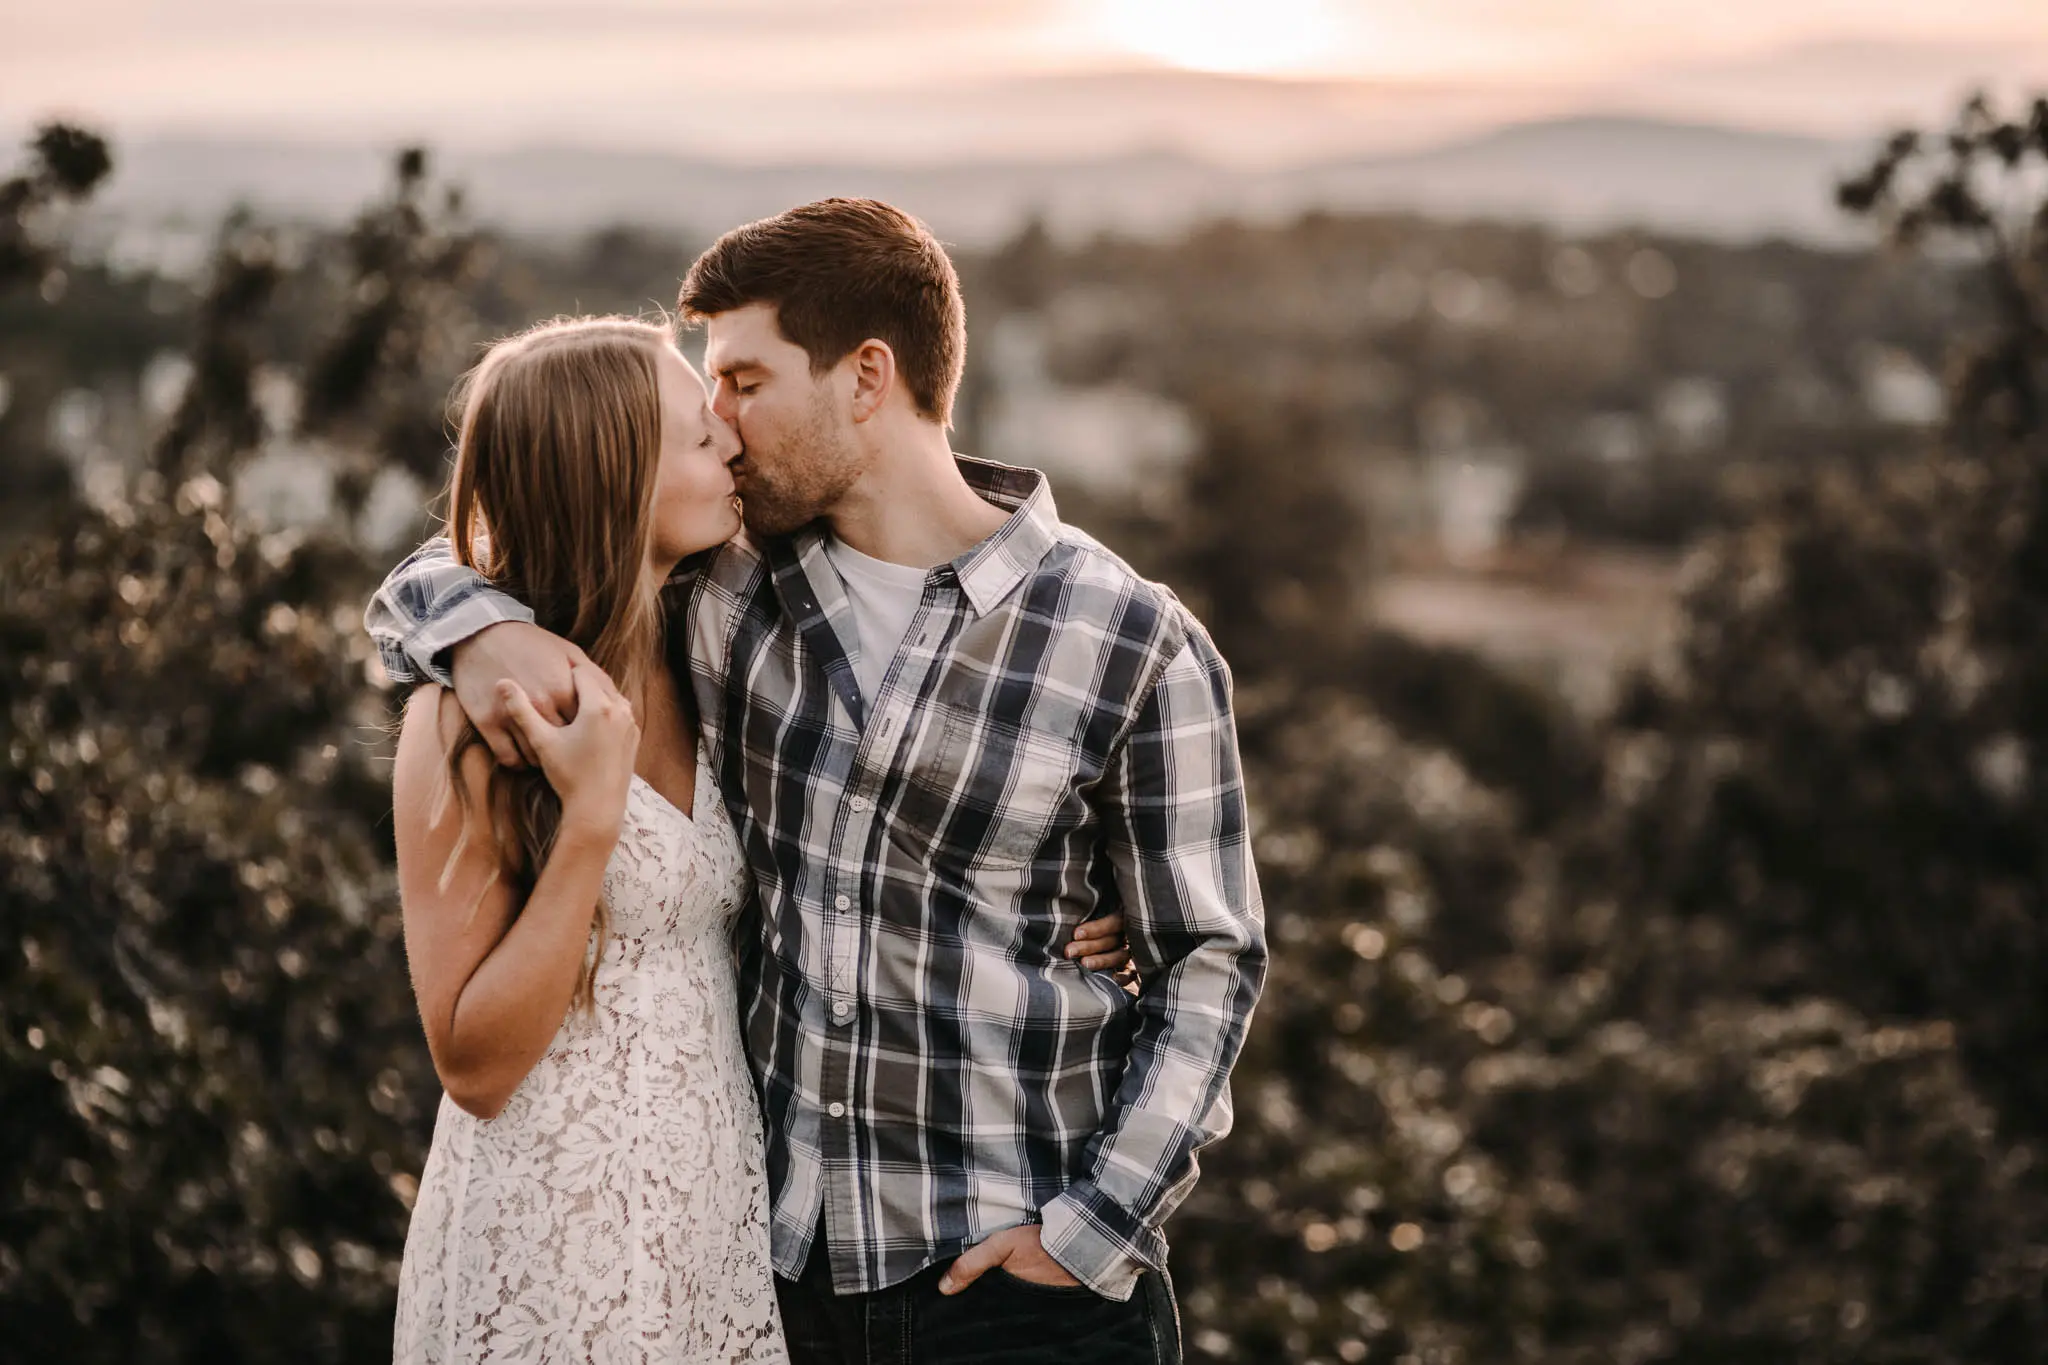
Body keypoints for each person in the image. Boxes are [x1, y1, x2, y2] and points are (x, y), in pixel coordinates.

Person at [368, 199, 1266, 1365]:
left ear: (866, 376)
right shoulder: (728, 590)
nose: (724, 429)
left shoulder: (1128, 642)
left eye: (742, 382)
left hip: (1018, 1292)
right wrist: (473, 629)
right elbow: (535, 522)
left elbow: (1210, 962)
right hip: (776, 1278)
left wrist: (1088, 1233)